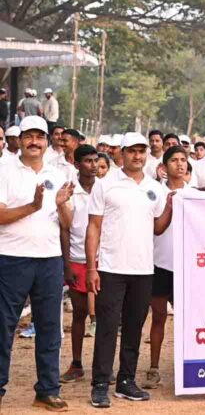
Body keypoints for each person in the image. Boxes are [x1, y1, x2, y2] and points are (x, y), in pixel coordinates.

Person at [86, 132, 173, 408]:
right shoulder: (105, 184)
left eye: (141, 151)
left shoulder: (154, 188)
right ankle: (100, 384)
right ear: (121, 153)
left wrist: (171, 204)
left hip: (143, 270)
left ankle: (126, 381)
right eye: (132, 151)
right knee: (108, 328)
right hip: (111, 268)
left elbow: (157, 227)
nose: (137, 156)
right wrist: (91, 267)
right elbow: (94, 227)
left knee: (135, 327)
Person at [0, 116, 73, 412]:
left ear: (47, 142)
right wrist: (33, 206)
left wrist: (60, 205)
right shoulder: (5, 171)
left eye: (39, 137)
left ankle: (47, 389)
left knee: (49, 327)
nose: (34, 142)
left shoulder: (58, 173)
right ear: (19, 140)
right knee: (4, 326)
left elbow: (69, 224)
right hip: (12, 258)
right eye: (29, 136)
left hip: (49, 259)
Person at [145, 146, 190, 390]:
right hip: (160, 264)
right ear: (164, 167)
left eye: (183, 160)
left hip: (188, 266)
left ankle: (188, 365)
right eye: (174, 160)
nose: (180, 164)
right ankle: (153, 367)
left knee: (187, 319)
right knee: (159, 317)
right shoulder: (155, 193)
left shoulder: (194, 195)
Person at [59, 145, 100, 384]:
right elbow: (65, 229)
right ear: (77, 164)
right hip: (76, 258)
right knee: (79, 314)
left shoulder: (105, 189)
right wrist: (66, 265)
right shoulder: (70, 190)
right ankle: (76, 364)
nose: (93, 165)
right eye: (88, 161)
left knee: (105, 315)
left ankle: (102, 366)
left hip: (102, 260)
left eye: (96, 160)